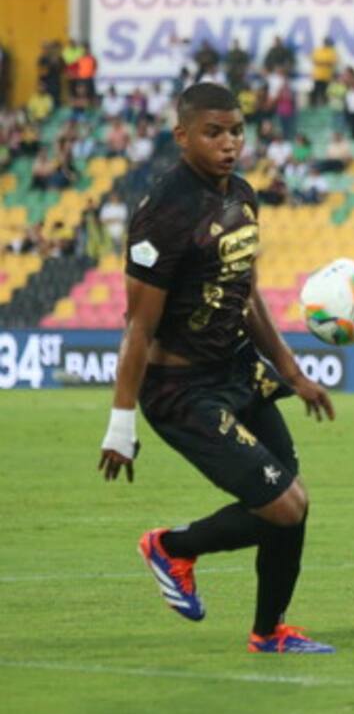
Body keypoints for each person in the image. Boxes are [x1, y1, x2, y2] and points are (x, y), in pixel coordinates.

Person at [98, 83, 337, 653]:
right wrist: (120, 423)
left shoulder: (244, 195)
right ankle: (172, 547)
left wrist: (292, 372)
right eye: (214, 133)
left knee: (292, 500)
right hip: (183, 391)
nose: (228, 144)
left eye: (236, 131)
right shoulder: (163, 214)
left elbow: (246, 293)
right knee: (284, 504)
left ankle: (269, 632)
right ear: (182, 136)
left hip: (238, 370)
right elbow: (139, 327)